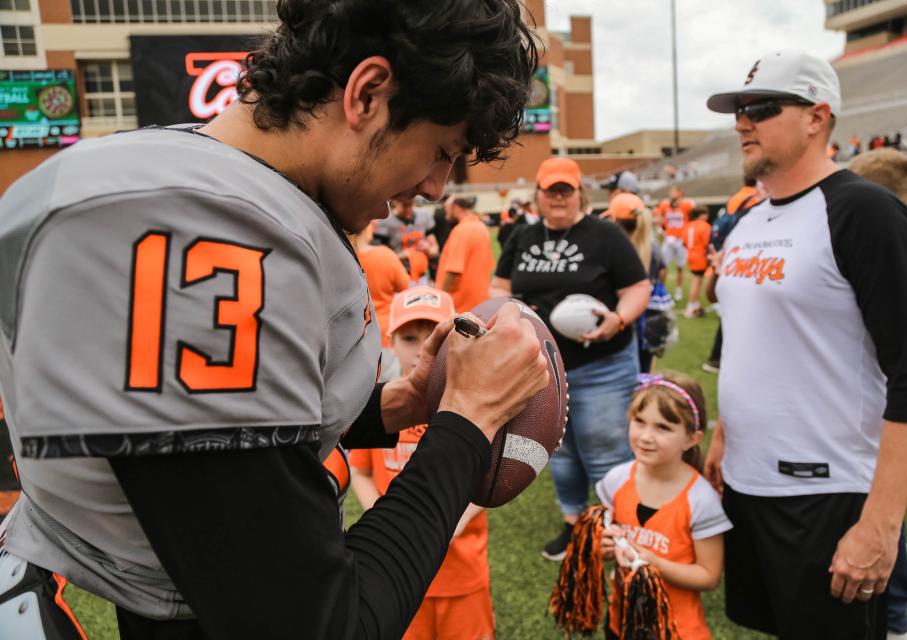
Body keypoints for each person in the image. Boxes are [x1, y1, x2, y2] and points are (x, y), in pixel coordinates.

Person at [0, 2, 548, 638]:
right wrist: (468, 422)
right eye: (442, 151)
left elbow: (227, 450)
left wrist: (388, 407)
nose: (435, 187)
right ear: (367, 94)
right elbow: (317, 625)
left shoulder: (179, 174)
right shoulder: (202, 234)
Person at [702, 50, 907, 639]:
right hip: (749, 481)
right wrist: (725, 436)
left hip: (829, 492)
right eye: (738, 109)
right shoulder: (749, 221)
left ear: (817, 116)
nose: (742, 122)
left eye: (761, 107)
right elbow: (750, 340)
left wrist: (881, 525)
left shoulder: (867, 213)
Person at [490, 157, 651, 561]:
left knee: (605, 447)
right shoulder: (522, 236)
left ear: (580, 193)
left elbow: (637, 287)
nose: (559, 197)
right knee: (558, 448)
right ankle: (574, 524)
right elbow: (499, 286)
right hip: (542, 366)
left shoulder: (606, 235)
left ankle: (613, 530)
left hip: (604, 363)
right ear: (539, 195)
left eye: (566, 189)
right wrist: (513, 312)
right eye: (551, 190)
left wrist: (619, 319)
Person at [350, 286, 494, 640]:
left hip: (460, 572)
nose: (423, 348)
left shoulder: (475, 408)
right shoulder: (385, 406)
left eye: (436, 334)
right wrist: (386, 517)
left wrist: (450, 521)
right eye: (410, 337)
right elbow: (361, 471)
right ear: (391, 341)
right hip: (395, 573)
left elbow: (493, 482)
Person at [847, 147, 907, 640]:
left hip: (870, 414)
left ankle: (893, 621)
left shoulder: (884, 236)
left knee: (881, 523)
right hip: (863, 412)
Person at [599, 373, 731, 640]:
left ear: (692, 438)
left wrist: (655, 562)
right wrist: (603, 547)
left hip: (675, 630)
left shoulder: (701, 500)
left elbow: (708, 576)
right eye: (639, 422)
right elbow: (604, 541)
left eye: (663, 427)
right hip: (620, 620)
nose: (646, 436)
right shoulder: (616, 479)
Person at [701, 178, 766, 373]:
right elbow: (713, 295)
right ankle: (717, 358)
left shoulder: (739, 200)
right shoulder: (751, 209)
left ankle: (717, 358)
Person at [603, 193, 665, 373]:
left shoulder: (614, 247)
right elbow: (662, 272)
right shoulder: (652, 246)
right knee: (644, 373)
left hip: (620, 321)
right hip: (649, 321)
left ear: (614, 219)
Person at [350, 223, 412, 348]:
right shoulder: (385, 255)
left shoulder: (340, 259)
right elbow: (406, 289)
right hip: (384, 332)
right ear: (367, 228)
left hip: (353, 336)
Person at [436, 195, 495, 312]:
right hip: (480, 300)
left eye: (446, 208)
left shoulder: (461, 230)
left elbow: (453, 270)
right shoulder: (481, 227)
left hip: (460, 305)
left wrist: (440, 298)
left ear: (456, 208)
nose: (445, 212)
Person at [374, 195, 439, 284]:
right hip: (399, 275)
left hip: (422, 273)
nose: (408, 209)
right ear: (396, 202)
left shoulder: (423, 216)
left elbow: (434, 249)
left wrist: (427, 248)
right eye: (405, 205)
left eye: (410, 205)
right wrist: (400, 255)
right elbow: (378, 257)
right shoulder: (386, 222)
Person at [655, 187, 695, 301]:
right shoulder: (664, 205)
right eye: (670, 192)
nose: (671, 194)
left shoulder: (686, 205)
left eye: (674, 192)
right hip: (669, 239)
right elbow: (658, 218)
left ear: (680, 194)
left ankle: (678, 290)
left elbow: (692, 217)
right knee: (662, 266)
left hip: (681, 240)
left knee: (680, 267)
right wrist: (661, 231)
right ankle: (660, 288)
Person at [682, 206, 711, 319]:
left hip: (690, 255)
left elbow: (684, 242)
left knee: (697, 281)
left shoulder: (688, 225)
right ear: (702, 214)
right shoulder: (704, 226)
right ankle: (690, 308)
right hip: (700, 256)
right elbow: (708, 243)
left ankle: (695, 306)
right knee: (697, 281)